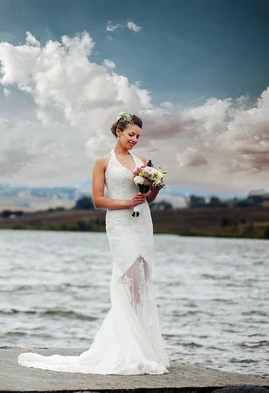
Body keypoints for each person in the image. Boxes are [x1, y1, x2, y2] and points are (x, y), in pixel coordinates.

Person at [17, 112, 170, 375]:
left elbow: (147, 199)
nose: (134, 139)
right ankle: (125, 349)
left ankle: (139, 346)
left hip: (142, 222)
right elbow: (98, 200)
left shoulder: (143, 162)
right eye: (131, 134)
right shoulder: (103, 162)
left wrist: (154, 186)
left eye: (138, 136)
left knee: (142, 283)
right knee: (128, 279)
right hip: (121, 224)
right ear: (118, 133)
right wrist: (126, 203)